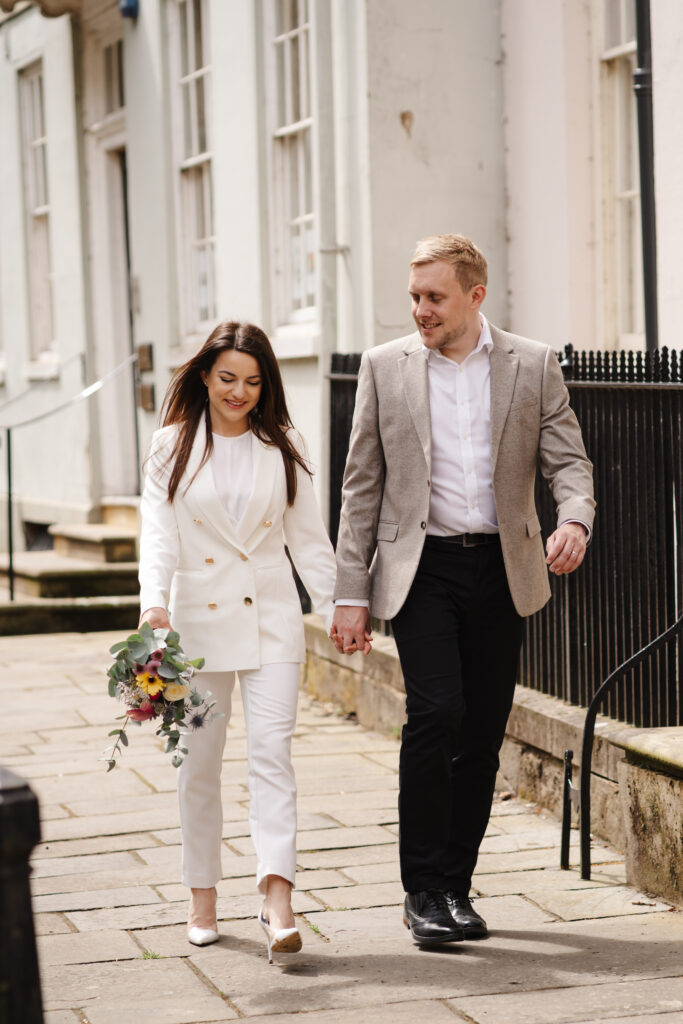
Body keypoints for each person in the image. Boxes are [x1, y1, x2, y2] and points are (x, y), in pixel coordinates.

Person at [330, 234, 595, 947]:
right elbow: (360, 489)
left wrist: (572, 518)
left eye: (433, 297)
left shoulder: (531, 364)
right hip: (420, 569)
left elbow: (567, 460)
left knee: (479, 732)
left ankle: (454, 885)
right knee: (435, 713)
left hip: (500, 570)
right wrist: (347, 593)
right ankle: (419, 890)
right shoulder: (385, 369)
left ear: (474, 296)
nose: (419, 309)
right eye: (414, 296)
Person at [138, 320, 336, 962]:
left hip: (273, 617)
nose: (239, 392)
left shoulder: (284, 444)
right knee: (197, 766)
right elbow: (159, 534)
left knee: (272, 756)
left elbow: (308, 538)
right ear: (203, 376)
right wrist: (154, 605)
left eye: (252, 382)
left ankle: (277, 896)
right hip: (194, 626)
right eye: (227, 378)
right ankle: (203, 897)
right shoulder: (171, 446)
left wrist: (337, 607)